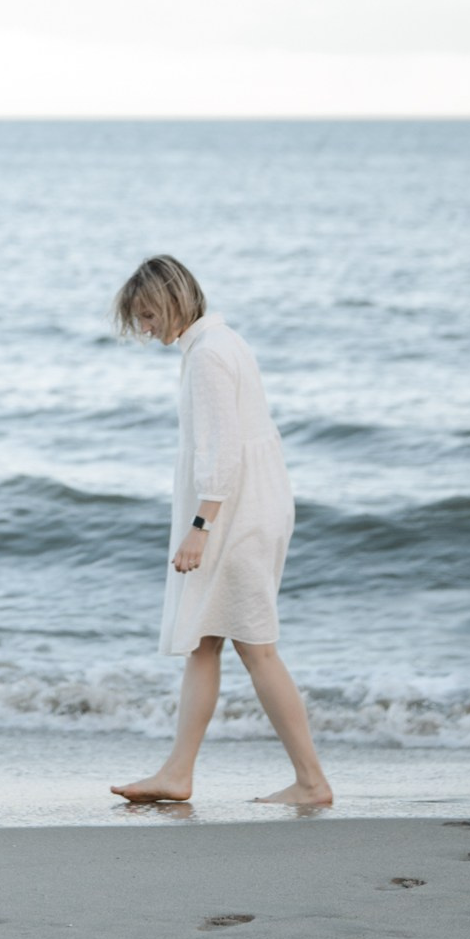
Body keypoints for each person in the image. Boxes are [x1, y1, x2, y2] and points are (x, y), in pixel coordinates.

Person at [108, 254, 332, 809]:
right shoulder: (222, 342)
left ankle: (311, 782)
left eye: (147, 314)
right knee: (204, 643)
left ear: (172, 301)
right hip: (253, 504)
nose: (145, 327)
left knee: (256, 649)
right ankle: (178, 773)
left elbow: (223, 451)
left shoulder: (208, 355)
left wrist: (200, 527)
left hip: (235, 514)